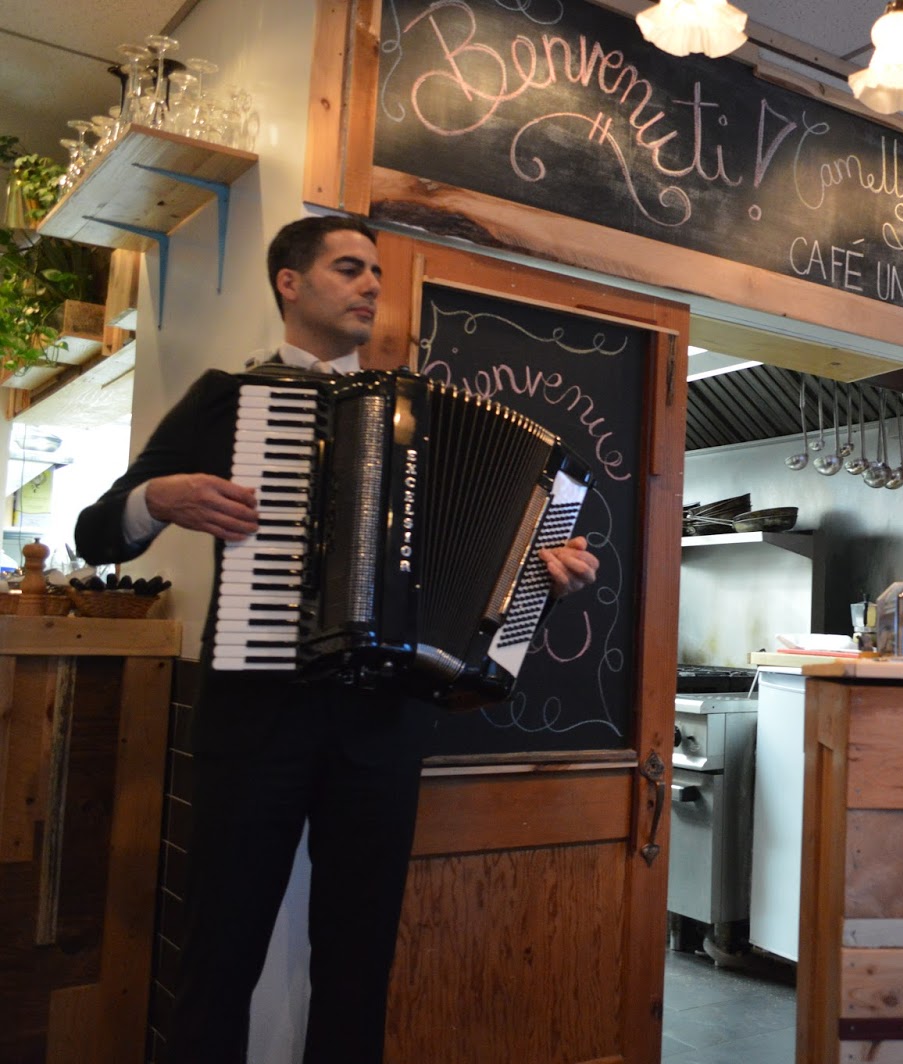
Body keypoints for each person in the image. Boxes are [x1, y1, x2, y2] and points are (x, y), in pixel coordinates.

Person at [74, 216, 600, 1063]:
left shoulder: (412, 414)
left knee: (359, 966)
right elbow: (96, 533)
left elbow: (480, 565)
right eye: (349, 269)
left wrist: (545, 570)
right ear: (289, 282)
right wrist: (158, 498)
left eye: (376, 275)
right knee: (219, 954)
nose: (369, 287)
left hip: (380, 733)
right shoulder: (228, 399)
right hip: (254, 723)